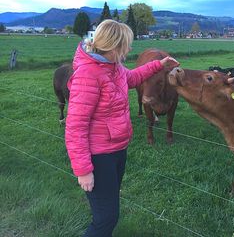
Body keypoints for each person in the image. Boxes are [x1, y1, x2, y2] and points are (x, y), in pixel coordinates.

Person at [65, 19, 179, 236]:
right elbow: (75, 126)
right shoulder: (88, 74)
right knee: (106, 219)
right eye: (127, 44)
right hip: (99, 156)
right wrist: (84, 170)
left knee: (109, 213)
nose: (130, 48)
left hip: (117, 149)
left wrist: (159, 65)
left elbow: (134, 77)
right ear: (114, 45)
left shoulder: (113, 68)